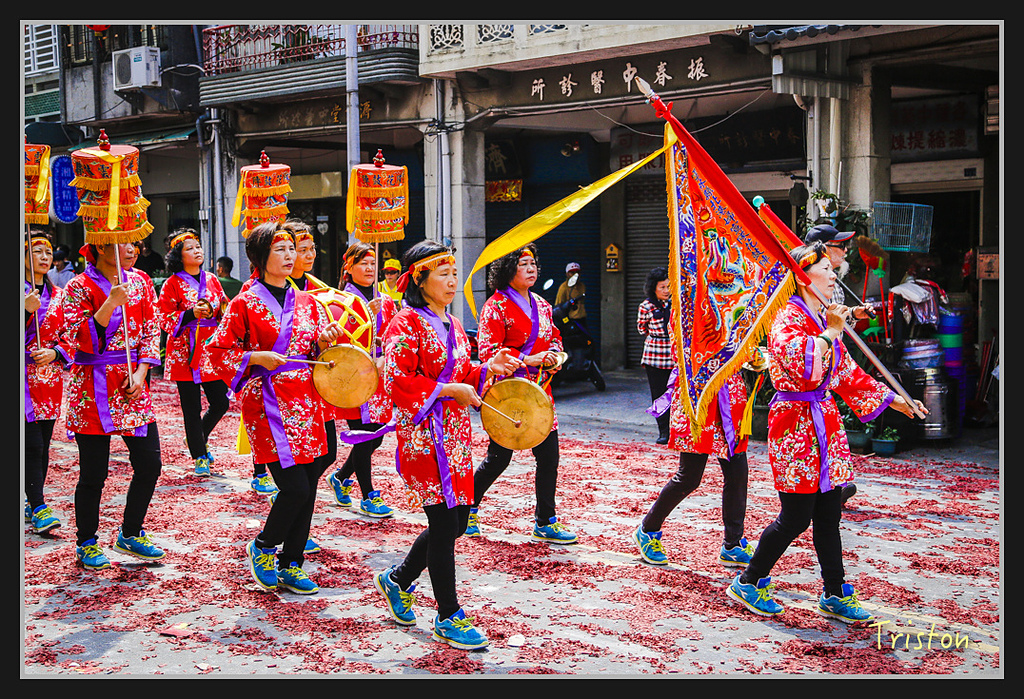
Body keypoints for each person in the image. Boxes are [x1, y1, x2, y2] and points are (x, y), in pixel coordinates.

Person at [725, 241, 927, 624]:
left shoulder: (822, 318)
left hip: (825, 425)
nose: (835, 276)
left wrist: (894, 401)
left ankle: (835, 591)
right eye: (828, 270)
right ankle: (749, 581)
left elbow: (848, 374)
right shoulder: (786, 315)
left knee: (830, 514)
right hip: (795, 424)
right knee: (796, 517)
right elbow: (801, 366)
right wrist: (833, 333)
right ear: (804, 277)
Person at [372, 240, 521, 650]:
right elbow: (396, 381)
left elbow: (462, 373)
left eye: (455, 272)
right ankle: (448, 614)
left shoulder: (453, 325)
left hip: (453, 434)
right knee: (443, 523)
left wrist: (486, 367)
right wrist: (445, 388)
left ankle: (398, 579)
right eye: (443, 273)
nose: (453, 280)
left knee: (455, 523)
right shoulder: (404, 323)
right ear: (419, 279)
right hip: (421, 436)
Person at [203, 220, 343, 595]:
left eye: (291, 249)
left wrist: (325, 340)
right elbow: (215, 352)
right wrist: (254, 356)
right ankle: (264, 545)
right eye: (280, 249)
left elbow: (317, 350)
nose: (289, 255)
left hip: (308, 399)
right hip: (269, 402)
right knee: (295, 487)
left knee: (311, 482)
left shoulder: (309, 301)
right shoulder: (244, 303)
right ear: (260, 256)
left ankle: (292, 562)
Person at [60, 240, 166, 570]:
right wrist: (110, 303)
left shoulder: (142, 281)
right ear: (99, 248)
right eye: (121, 243)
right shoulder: (78, 285)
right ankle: (86, 541)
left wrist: (142, 372)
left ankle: (131, 532)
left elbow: (152, 329)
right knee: (94, 473)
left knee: (150, 464)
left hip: (132, 383)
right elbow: (77, 338)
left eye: (133, 242)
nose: (131, 248)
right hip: (92, 387)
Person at [467, 244, 577, 544]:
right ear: (508, 269)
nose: (531, 269)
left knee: (549, 456)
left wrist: (556, 356)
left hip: (540, 392)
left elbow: (554, 338)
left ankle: (545, 520)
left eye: (533, 263)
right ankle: (468, 509)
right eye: (523, 263)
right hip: (508, 394)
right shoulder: (496, 306)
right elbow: (489, 352)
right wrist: (528, 360)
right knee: (498, 458)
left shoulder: (542, 303)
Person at [803, 223, 874, 506]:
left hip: (833, 359)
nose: (845, 252)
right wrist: (830, 333)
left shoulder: (833, 279)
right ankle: (819, 488)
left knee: (831, 423)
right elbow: (818, 324)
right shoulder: (809, 283)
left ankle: (832, 484)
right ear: (820, 250)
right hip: (813, 364)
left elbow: (837, 317)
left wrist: (853, 314)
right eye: (839, 246)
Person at [326, 242, 398, 518]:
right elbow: (338, 340)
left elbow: (392, 334)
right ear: (349, 268)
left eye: (372, 263)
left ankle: (342, 477)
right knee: (364, 435)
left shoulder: (386, 299)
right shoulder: (340, 300)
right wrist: (366, 313)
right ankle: (368, 494)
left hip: (379, 373)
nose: (369, 269)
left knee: (375, 436)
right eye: (362, 264)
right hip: (353, 375)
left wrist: (384, 342)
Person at [156, 228, 231, 476]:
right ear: (179, 255)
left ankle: (199, 436)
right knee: (191, 407)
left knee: (221, 401)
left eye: (197, 246)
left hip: (209, 348)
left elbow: (223, 306)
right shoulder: (171, 284)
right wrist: (190, 314)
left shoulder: (212, 279)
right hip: (183, 351)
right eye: (189, 248)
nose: (196, 251)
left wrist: (220, 310)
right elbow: (164, 317)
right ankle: (199, 456)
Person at [24, 231, 72, 535]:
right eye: (36, 249)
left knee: (43, 446)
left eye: (48, 251)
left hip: (49, 379)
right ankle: (40, 506)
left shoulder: (60, 296)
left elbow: (70, 336)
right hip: (22, 379)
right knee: (32, 444)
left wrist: (55, 352)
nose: (44, 256)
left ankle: (33, 500)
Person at [637, 266, 673, 445]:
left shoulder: (677, 303)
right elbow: (641, 328)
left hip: (674, 354)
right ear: (654, 288)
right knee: (658, 394)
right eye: (662, 287)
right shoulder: (646, 306)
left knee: (674, 393)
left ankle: (676, 429)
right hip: (654, 355)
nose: (666, 291)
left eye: (668, 286)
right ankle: (663, 431)